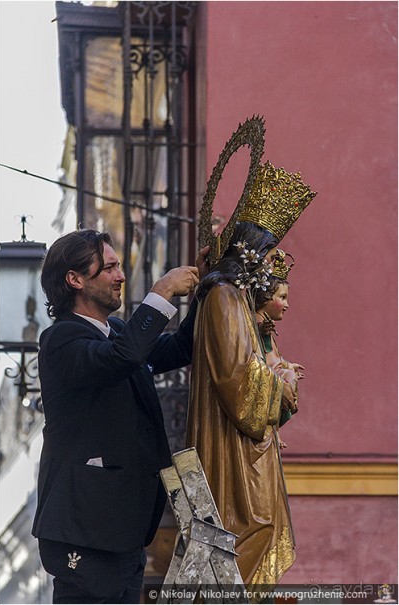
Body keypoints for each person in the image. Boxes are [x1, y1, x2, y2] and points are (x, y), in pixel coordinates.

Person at [32, 228, 208, 604]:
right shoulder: (61, 339)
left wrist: (208, 288)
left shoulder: (116, 331)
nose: (121, 275)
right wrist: (160, 292)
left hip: (122, 529)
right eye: (108, 267)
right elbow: (122, 359)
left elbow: (180, 347)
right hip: (86, 530)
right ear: (75, 279)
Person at [186, 161, 316, 591]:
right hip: (234, 453)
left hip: (247, 448)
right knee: (247, 536)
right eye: (269, 253)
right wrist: (283, 383)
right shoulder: (223, 297)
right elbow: (240, 383)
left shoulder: (234, 299)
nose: (273, 263)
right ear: (250, 252)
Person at [255, 249, 305, 449]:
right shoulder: (257, 323)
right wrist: (264, 330)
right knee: (287, 378)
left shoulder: (264, 323)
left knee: (289, 375)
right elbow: (262, 352)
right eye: (282, 298)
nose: (287, 305)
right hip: (264, 376)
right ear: (265, 297)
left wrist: (288, 365)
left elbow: (275, 357)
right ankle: (273, 427)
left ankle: (275, 428)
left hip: (270, 373)